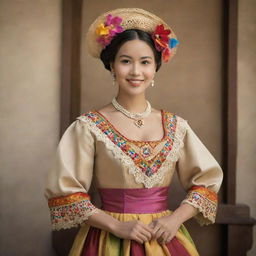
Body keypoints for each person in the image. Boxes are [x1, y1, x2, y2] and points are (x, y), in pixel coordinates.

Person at [44, 8, 223, 256]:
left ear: (155, 68)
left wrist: (175, 220)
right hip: (107, 239)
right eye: (126, 61)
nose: (136, 71)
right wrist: (116, 225)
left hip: (165, 240)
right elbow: (68, 194)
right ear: (112, 66)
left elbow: (206, 183)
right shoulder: (88, 126)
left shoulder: (176, 126)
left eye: (145, 62)